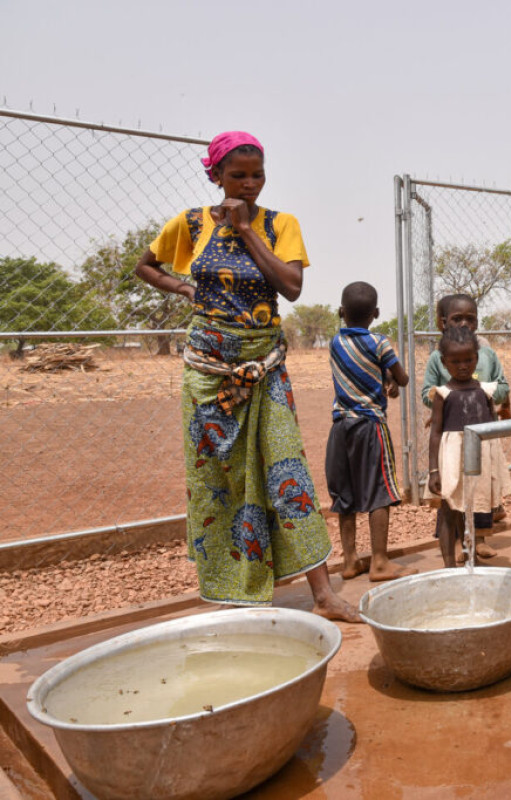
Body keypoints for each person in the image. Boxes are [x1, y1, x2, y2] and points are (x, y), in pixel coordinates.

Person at [132, 131, 358, 621]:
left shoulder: (280, 224)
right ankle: (232, 596)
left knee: (287, 471)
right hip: (209, 372)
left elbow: (292, 287)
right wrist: (184, 288)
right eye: (238, 175)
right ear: (215, 175)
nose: (250, 183)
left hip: (265, 368)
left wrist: (247, 230)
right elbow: (144, 266)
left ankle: (324, 595)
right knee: (218, 480)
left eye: (257, 174)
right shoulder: (190, 225)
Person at [325, 281, 416, 582]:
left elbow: (361, 368)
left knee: (345, 494)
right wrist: (390, 376)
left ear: (341, 312)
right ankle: (379, 561)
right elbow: (401, 379)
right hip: (370, 425)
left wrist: (382, 376)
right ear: (376, 313)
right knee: (380, 491)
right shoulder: (379, 343)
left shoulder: (335, 343)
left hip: (340, 428)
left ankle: (350, 560)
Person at [421, 293, 511, 554]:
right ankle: (456, 544)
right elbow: (427, 391)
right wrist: (451, 400)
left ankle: (478, 542)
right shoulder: (438, 357)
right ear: (443, 322)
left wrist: (484, 392)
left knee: (479, 490)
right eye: (457, 318)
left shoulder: (487, 354)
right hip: (452, 435)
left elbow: (503, 386)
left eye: (470, 319)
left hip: (482, 434)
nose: (464, 324)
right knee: (451, 493)